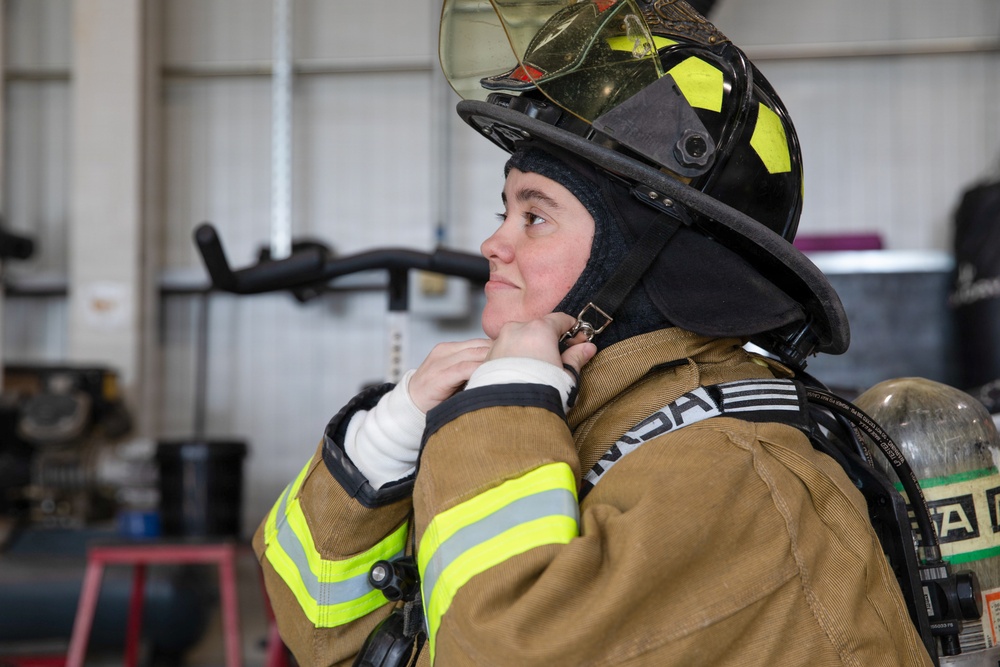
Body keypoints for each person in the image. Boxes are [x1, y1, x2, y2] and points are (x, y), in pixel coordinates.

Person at [253, 1, 933, 665]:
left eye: (535, 215)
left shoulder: (730, 469)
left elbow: (500, 647)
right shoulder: (584, 419)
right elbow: (327, 636)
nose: (494, 241)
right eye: (505, 209)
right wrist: (384, 442)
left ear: (641, 260)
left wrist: (502, 410)